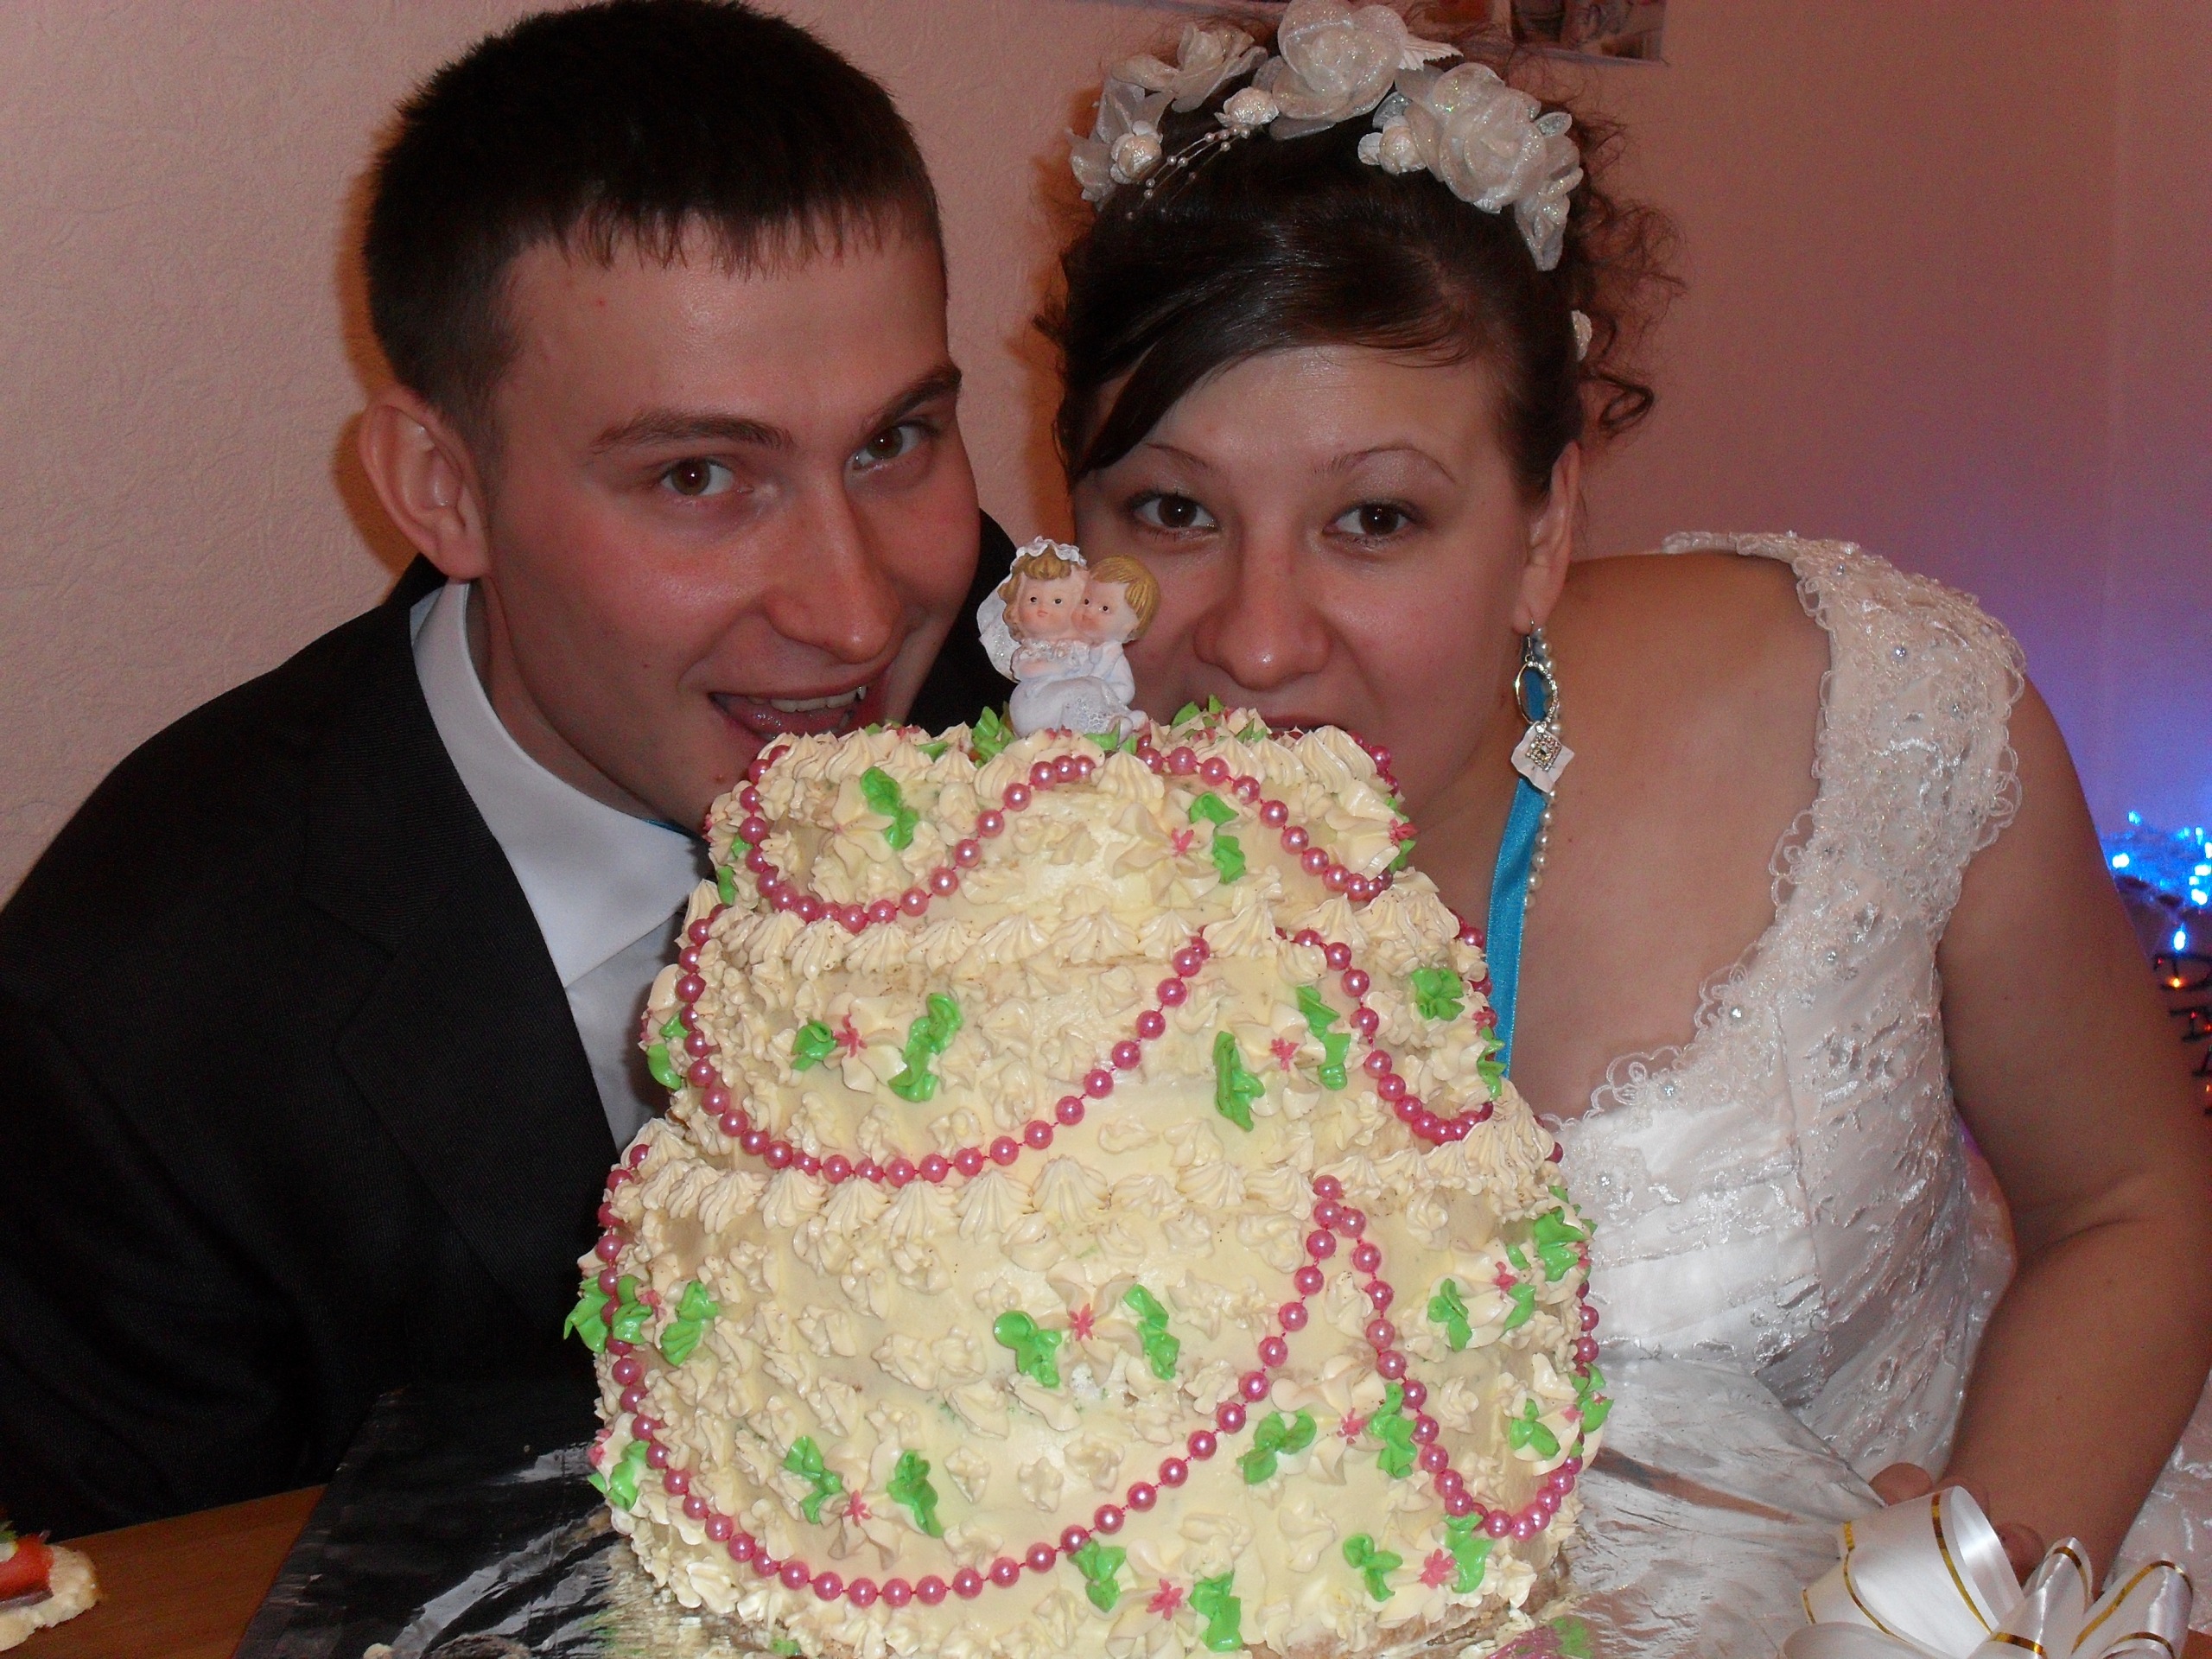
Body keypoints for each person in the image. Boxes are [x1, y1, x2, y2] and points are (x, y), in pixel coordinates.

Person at [1046, 3, 2212, 1648]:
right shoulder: (991, 893)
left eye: (1374, 518)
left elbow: (2131, 1205)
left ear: (1543, 526)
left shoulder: (1860, 712)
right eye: (1173, 510)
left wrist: (1958, 1608)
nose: (1255, 641)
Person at [0, 0, 1015, 1537]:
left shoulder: (1049, 698)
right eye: (700, 475)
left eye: (893, 443)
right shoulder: (136, 1031)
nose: (858, 612)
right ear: (442, 490)